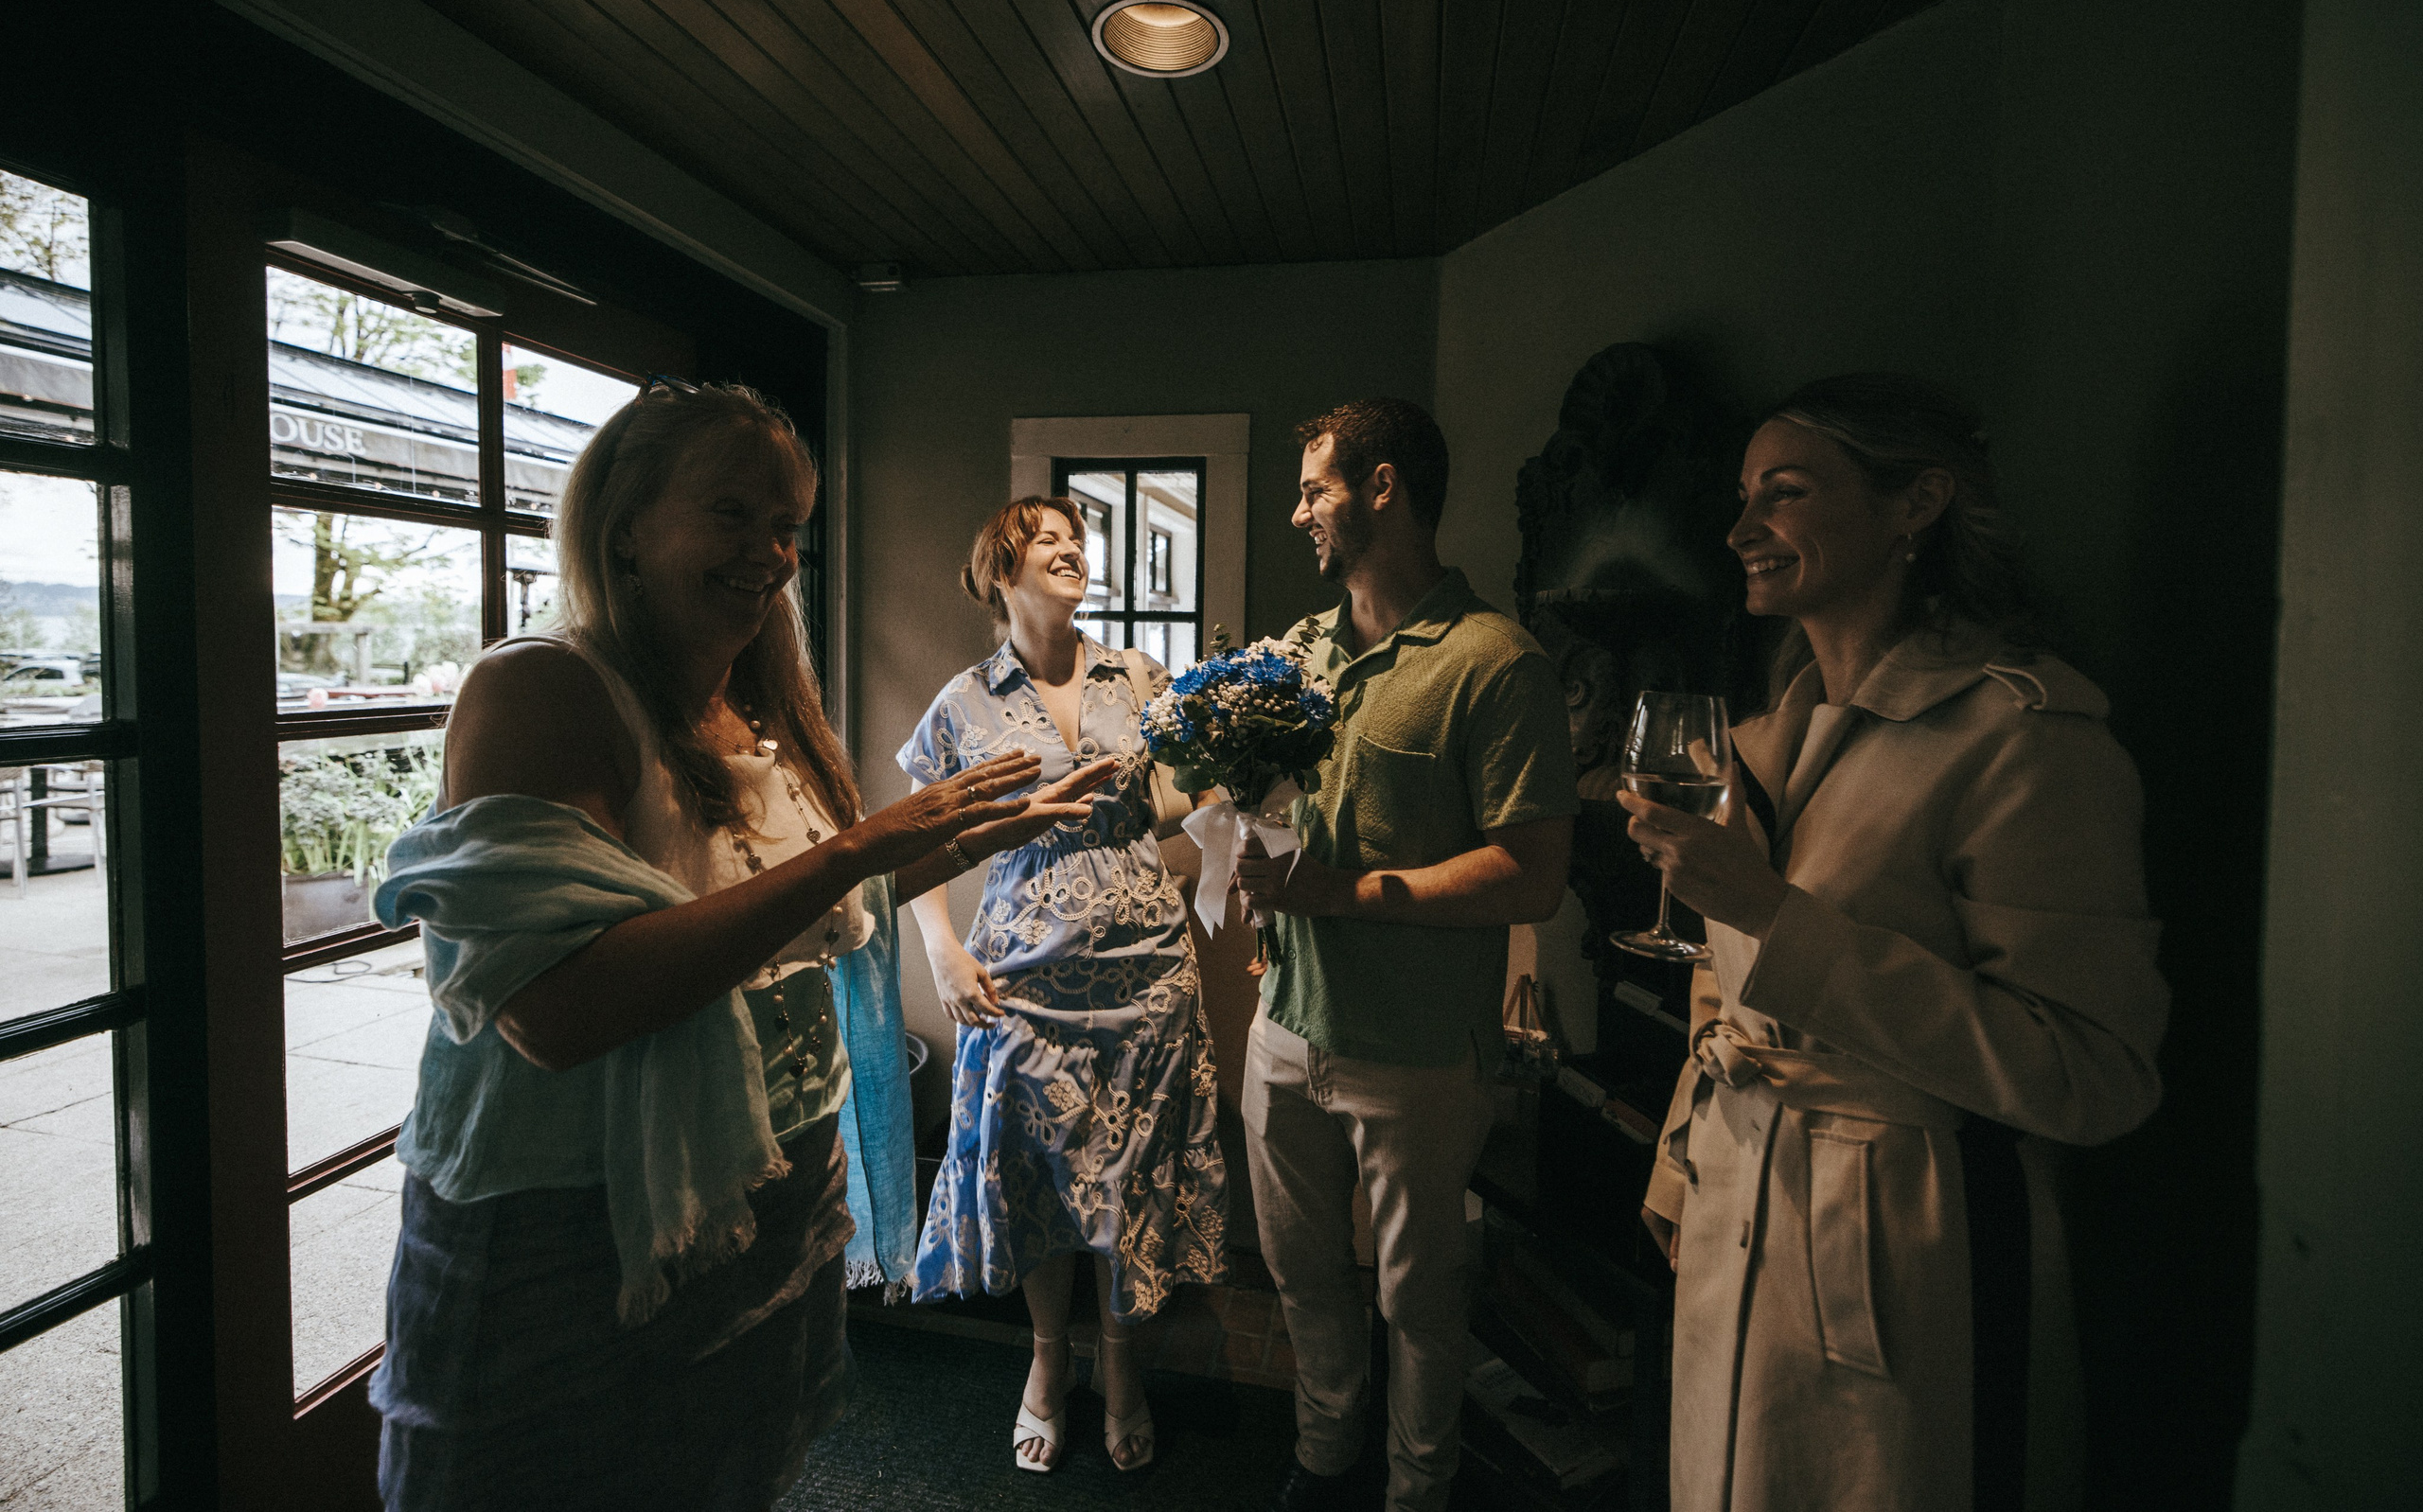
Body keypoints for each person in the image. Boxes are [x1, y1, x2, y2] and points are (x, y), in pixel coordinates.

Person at [368, 381, 1107, 1512]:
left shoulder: (758, 709)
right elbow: (553, 1007)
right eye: (732, 514)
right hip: (581, 1230)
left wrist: (976, 833)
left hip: (766, 1194)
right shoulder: (543, 689)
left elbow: (807, 916)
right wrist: (856, 847)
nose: (772, 553)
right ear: (624, 525)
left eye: (789, 527)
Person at [1620, 375, 2167, 1512]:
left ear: (1914, 503)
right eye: (1741, 496)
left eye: (1785, 492)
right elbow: (1721, 992)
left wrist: (1776, 917)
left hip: (1905, 1241)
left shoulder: (2024, 739)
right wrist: (1683, 1163)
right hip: (1737, 1205)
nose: (1739, 530)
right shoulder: (1766, 736)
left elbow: (2090, 1072)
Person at [1236, 398, 1579, 1512]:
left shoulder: (1495, 662)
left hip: (1421, 1055)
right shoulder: (1300, 652)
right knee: (1301, 1276)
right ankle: (1325, 1453)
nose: (1298, 514)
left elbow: (1529, 874)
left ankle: (1414, 1491)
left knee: (1418, 1299)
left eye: (1313, 490)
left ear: (1383, 487)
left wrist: (1338, 890)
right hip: (1284, 1027)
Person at [898, 496, 1229, 1474]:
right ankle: (1047, 1362)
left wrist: (1231, 770)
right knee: (1039, 1174)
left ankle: (1121, 1367)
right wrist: (941, 951)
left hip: (1147, 970)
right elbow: (915, 839)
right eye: (1045, 540)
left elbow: (1179, 800)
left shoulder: (1138, 675)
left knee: (1129, 1176)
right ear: (1000, 571)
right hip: (1021, 978)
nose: (1070, 550)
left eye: (1076, 541)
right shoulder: (964, 700)